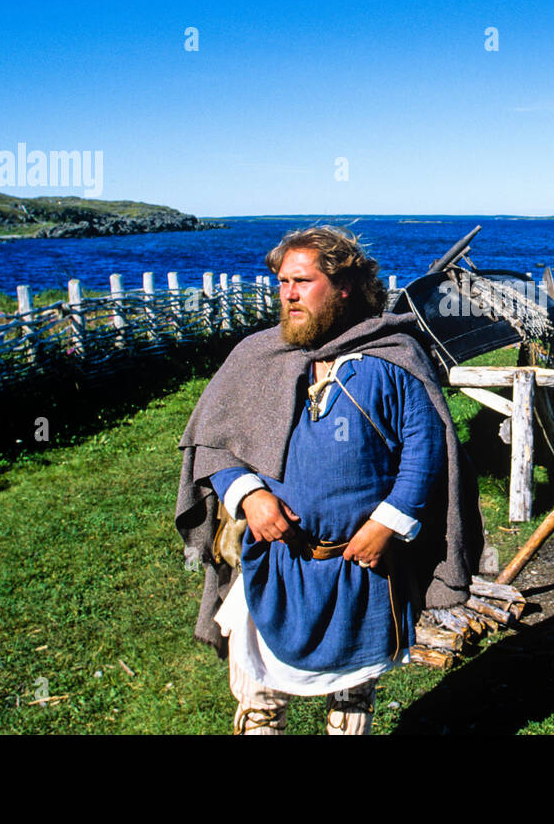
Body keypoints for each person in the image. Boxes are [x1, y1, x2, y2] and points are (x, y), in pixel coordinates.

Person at [175, 226, 483, 734]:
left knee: (351, 704)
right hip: (272, 563)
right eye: (282, 282)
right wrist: (248, 495)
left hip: (358, 566)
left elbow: (427, 453)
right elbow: (214, 444)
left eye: (302, 281)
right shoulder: (258, 357)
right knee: (260, 705)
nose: (288, 294)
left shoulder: (393, 356)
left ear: (343, 286)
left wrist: (388, 523)